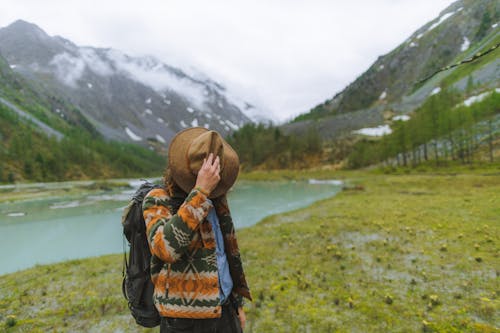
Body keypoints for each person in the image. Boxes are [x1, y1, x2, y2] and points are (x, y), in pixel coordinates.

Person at [142, 127, 252, 333]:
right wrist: (200, 192)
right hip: (183, 321)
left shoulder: (216, 199)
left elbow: (227, 256)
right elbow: (165, 248)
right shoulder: (157, 198)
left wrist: (237, 304)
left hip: (225, 309)